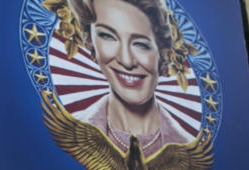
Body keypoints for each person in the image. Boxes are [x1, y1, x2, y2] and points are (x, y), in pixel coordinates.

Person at [65, 0, 193, 156]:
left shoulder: (189, 149)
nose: (126, 61)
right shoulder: (70, 136)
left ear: (163, 52)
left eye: (141, 44)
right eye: (108, 36)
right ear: (90, 42)